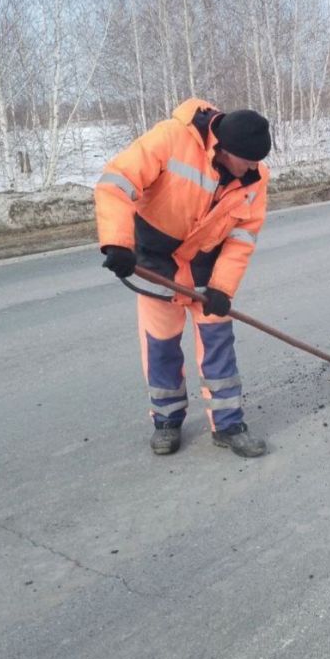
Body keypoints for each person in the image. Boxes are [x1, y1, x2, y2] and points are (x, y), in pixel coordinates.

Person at [94, 99, 272, 458]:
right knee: (161, 345)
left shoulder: (255, 179)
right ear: (226, 150)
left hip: (208, 264)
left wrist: (223, 287)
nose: (255, 167)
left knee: (218, 341)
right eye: (249, 160)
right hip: (156, 259)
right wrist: (117, 242)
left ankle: (228, 424)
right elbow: (116, 182)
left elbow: (242, 239)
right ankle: (167, 421)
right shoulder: (171, 139)